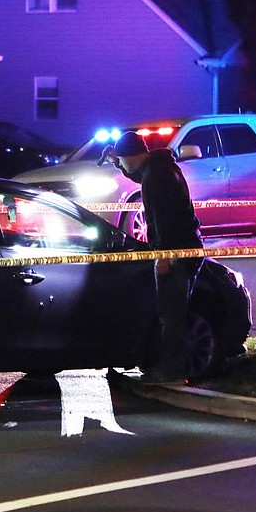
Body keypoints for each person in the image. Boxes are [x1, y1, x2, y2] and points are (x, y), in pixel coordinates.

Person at [102, 131, 203, 385]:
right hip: (186, 249)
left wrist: (164, 255)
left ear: (131, 156)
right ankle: (171, 368)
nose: (123, 167)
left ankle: (172, 372)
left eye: (122, 160)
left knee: (171, 315)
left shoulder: (157, 176)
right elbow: (136, 173)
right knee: (172, 313)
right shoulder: (157, 168)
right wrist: (117, 162)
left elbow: (165, 220)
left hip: (176, 253)